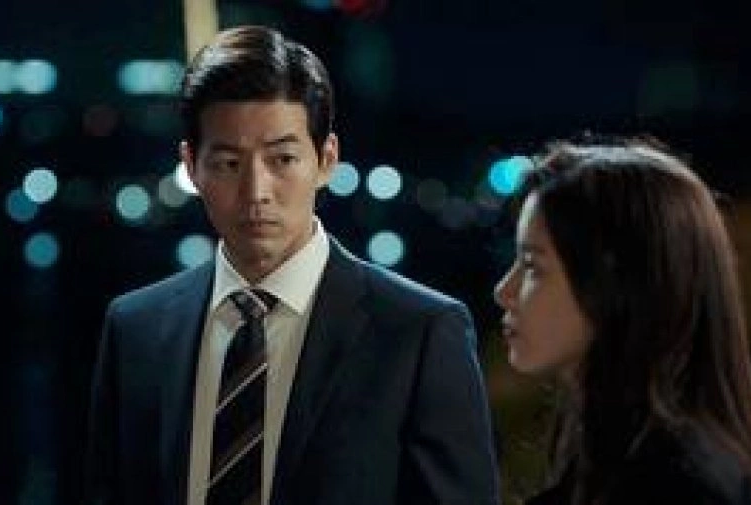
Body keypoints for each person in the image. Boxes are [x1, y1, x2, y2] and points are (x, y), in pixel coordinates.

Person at [84, 25, 499, 505]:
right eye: (228, 164)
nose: (256, 192)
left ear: (326, 159)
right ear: (191, 165)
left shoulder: (417, 332)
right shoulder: (134, 329)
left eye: (282, 159)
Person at [493, 138, 751, 505]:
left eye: (533, 266)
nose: (504, 291)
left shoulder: (676, 486)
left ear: (617, 280)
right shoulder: (621, 465)